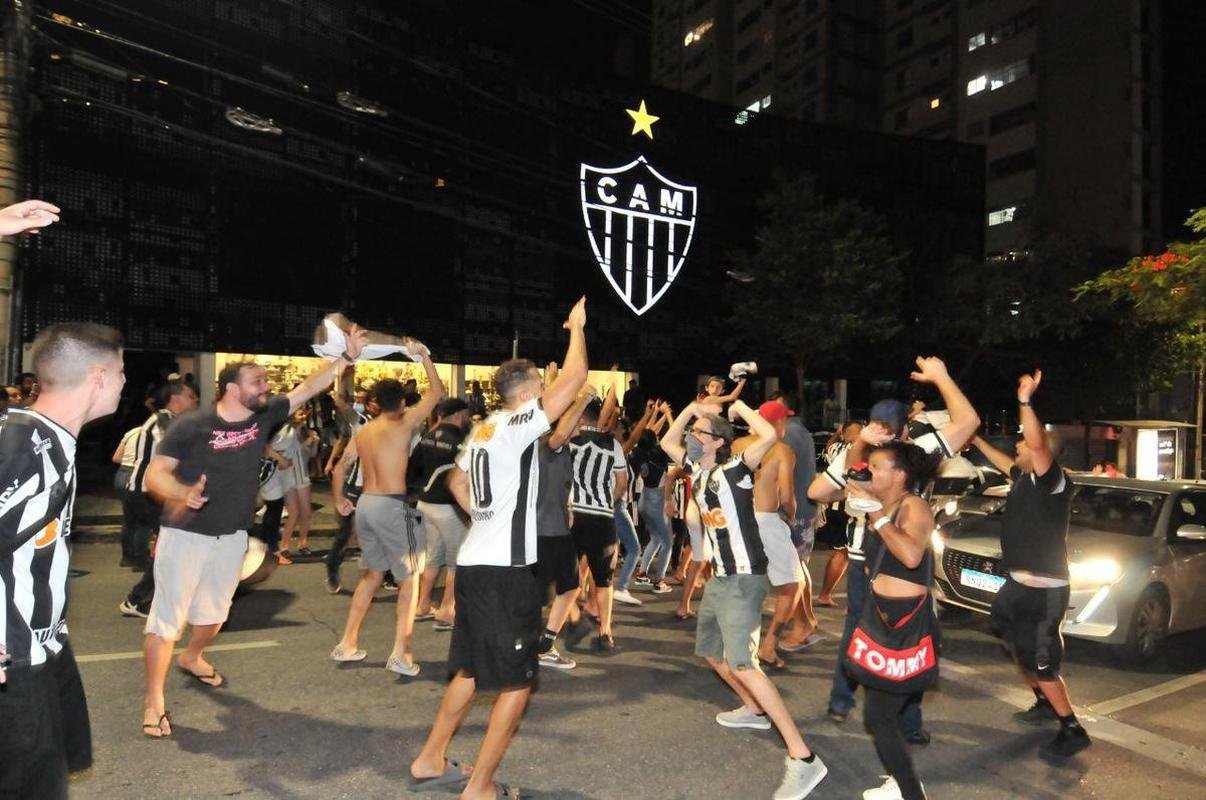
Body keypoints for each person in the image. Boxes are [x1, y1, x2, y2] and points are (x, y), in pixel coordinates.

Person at [140, 327, 367, 737]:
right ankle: (154, 700)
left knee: (213, 616)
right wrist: (181, 492)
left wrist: (346, 359)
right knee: (166, 620)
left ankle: (192, 657)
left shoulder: (263, 415)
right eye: (257, 381)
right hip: (185, 534)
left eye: (266, 380)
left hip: (232, 537)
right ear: (230, 388)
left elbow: (309, 386)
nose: (266, 386)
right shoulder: (192, 425)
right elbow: (155, 475)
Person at [409, 297, 588, 800]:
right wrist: (576, 328)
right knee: (516, 684)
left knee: (470, 668)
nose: (547, 392)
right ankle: (480, 787)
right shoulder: (515, 425)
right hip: (504, 571)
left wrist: (485, 516)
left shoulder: (483, 429)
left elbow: (458, 482)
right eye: (540, 386)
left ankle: (430, 758)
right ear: (528, 393)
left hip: (475, 563)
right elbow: (575, 380)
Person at [660, 399, 828, 800]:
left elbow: (768, 434)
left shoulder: (735, 470)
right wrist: (689, 410)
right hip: (720, 579)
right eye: (693, 433)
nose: (692, 438)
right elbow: (667, 439)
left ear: (719, 442)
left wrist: (738, 405)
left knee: (743, 664)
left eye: (701, 433)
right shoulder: (696, 474)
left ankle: (804, 759)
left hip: (744, 578)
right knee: (712, 654)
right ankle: (754, 710)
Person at [809, 357, 979, 739]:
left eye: (887, 427)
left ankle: (884, 714)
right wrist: (859, 450)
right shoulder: (872, 450)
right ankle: (866, 709)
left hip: (899, 556)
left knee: (895, 636)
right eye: (878, 426)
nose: (883, 432)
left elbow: (968, 423)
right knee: (879, 635)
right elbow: (818, 491)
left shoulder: (914, 452)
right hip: (869, 559)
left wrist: (942, 379)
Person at [1, 322, 124, 798]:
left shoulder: (49, 441)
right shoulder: (23, 447)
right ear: (98, 376)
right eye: (120, 372)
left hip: (44, 643)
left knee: (52, 774)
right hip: (14, 653)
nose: (123, 383)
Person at [971, 370, 1090, 760]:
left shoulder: (1053, 482)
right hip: (1017, 587)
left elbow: (1037, 445)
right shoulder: (1023, 478)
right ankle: (1043, 698)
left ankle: (1071, 729)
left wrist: (1025, 402)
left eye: (1023, 442)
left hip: (1044, 591)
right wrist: (972, 437)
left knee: (1042, 660)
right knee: (1011, 639)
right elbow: (1003, 459)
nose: (1019, 445)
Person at [329, 350, 444, 675]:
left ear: (376, 404)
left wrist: (339, 500)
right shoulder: (405, 422)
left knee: (373, 574)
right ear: (403, 403)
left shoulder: (364, 432)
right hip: (392, 505)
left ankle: (347, 643)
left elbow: (339, 469)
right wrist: (424, 357)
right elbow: (436, 392)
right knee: (410, 579)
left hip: (365, 504)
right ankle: (401, 652)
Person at [846, 441, 941, 800]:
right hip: (881, 619)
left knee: (879, 717)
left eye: (877, 467)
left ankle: (910, 793)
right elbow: (817, 490)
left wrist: (877, 517)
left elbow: (911, 555)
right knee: (885, 710)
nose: (870, 473)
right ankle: (899, 781)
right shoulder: (882, 503)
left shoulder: (913, 506)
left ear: (899, 474)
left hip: (906, 625)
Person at [730, 400, 809, 669]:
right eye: (784, 420)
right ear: (777, 423)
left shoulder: (737, 445)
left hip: (739, 521)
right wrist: (791, 514)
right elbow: (787, 495)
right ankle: (768, 647)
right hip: (766, 520)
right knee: (793, 585)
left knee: (745, 584)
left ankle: (734, 644)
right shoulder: (783, 450)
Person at [119, 381, 201, 617]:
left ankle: (152, 597)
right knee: (174, 547)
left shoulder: (164, 420)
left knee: (173, 546)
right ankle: (137, 599)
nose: (195, 400)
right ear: (175, 398)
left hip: (146, 492)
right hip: (148, 493)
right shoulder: (166, 421)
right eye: (191, 396)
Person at [535, 385, 597, 670]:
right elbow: (559, 432)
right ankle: (542, 644)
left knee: (560, 589)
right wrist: (584, 397)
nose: (581, 424)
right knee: (568, 587)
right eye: (577, 420)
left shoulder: (556, 449)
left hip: (551, 529)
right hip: (547, 531)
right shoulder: (550, 446)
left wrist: (555, 382)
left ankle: (539, 641)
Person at [568, 398, 629, 649]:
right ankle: (605, 632)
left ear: (581, 418)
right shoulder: (612, 443)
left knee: (567, 574)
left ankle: (570, 617)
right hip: (603, 518)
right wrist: (608, 501)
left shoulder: (570, 441)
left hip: (574, 516)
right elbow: (622, 481)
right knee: (604, 578)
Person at [413, 398, 472, 630]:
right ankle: (447, 611)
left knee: (433, 557)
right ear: (458, 415)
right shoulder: (461, 444)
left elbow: (414, 470)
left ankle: (423, 605)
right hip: (449, 509)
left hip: (424, 505)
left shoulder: (426, 437)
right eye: (465, 414)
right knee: (457, 562)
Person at [776, 392, 822, 651]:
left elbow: (781, 478)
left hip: (795, 512)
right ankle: (806, 621)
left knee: (793, 571)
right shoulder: (797, 431)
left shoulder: (790, 433)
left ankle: (802, 625)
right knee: (797, 568)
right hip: (801, 510)